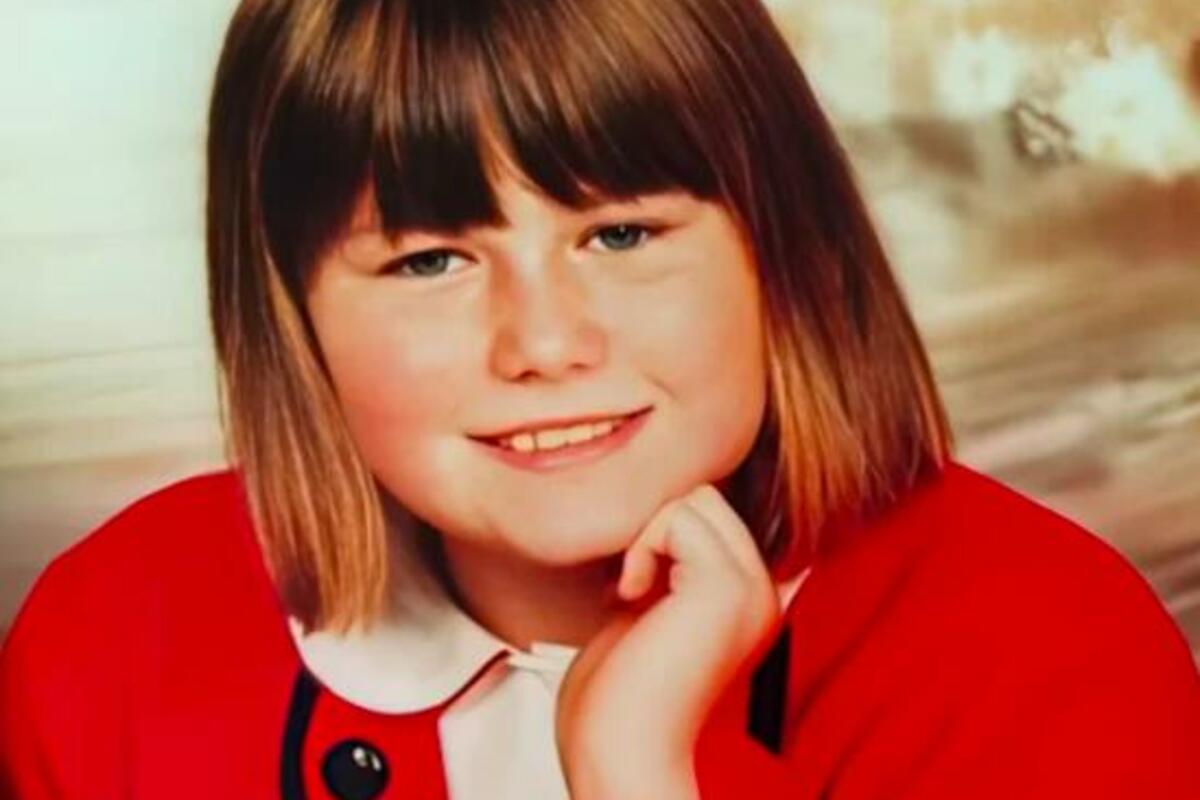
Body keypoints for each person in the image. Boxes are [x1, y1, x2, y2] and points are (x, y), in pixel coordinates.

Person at [2, 0, 1198, 797]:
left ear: (783, 248)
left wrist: (638, 769)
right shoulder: (112, 640)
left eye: (622, 234)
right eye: (430, 260)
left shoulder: (1045, 655)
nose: (544, 343)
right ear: (292, 313)